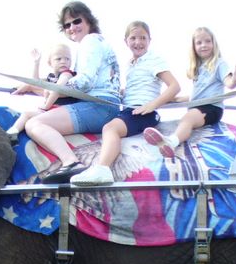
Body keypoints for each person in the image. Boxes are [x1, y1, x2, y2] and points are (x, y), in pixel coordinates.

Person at [71, 21, 180, 185]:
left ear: (150, 40)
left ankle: (103, 169)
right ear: (126, 41)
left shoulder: (153, 59)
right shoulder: (130, 64)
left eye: (143, 38)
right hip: (129, 109)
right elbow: (138, 87)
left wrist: (151, 105)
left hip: (143, 112)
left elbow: (174, 86)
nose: (138, 42)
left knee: (110, 128)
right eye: (133, 38)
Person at [24, 1, 122, 184]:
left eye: (77, 21)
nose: (72, 27)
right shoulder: (98, 43)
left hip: (97, 105)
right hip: (103, 104)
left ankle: (71, 162)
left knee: (34, 124)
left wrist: (54, 91)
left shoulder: (90, 41)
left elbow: (85, 81)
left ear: (89, 21)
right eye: (67, 25)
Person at [143, 26, 236, 157]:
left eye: (208, 41)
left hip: (211, 108)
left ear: (214, 43)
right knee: (187, 116)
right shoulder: (197, 68)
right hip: (198, 106)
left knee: (187, 119)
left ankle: (171, 142)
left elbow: (229, 83)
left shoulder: (219, 63)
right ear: (193, 47)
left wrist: (235, 79)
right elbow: (196, 96)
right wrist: (170, 99)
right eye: (199, 42)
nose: (204, 45)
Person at [7, 43, 77, 136]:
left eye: (67, 59)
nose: (63, 61)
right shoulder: (51, 77)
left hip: (63, 110)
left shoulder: (67, 74)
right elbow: (35, 82)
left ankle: (12, 133)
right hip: (52, 110)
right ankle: (13, 132)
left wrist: (45, 107)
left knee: (28, 115)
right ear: (50, 63)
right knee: (26, 114)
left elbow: (57, 89)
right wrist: (36, 63)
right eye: (58, 59)